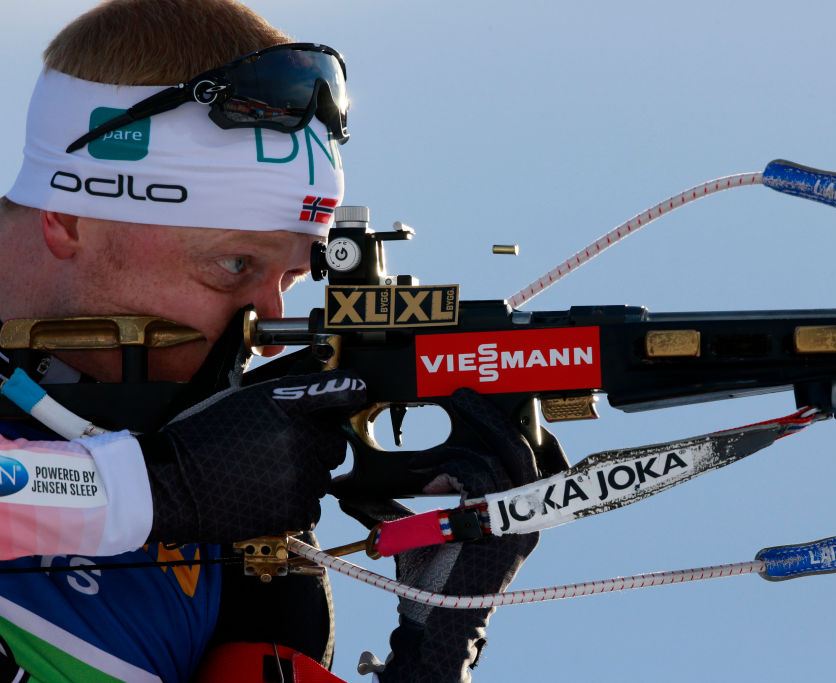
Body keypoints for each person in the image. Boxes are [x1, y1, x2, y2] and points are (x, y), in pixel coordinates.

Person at [0, 1, 552, 681]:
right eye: (235, 265)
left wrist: (433, 646)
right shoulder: (178, 482)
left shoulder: (239, 555)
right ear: (70, 219)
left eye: (289, 276)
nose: (263, 328)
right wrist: (158, 488)